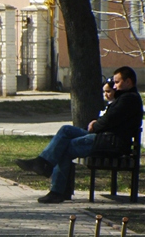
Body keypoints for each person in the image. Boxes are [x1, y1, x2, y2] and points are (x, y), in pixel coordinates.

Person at [15, 66, 143, 204]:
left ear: (128, 82)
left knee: (65, 147)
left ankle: (57, 190)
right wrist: (97, 123)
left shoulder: (129, 99)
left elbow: (108, 121)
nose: (115, 86)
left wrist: (95, 124)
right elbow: (108, 119)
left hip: (110, 143)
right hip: (104, 138)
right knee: (66, 130)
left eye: (117, 82)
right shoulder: (124, 98)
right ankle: (42, 163)